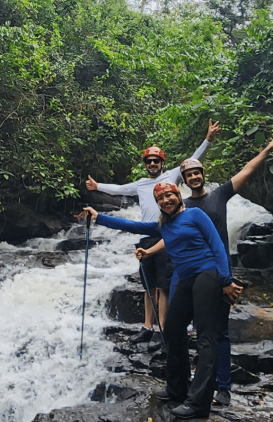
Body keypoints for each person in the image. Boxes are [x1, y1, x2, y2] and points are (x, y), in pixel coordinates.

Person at [80, 181, 236, 419]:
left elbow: (217, 245)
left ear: (178, 197)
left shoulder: (195, 214)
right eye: (160, 198)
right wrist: (99, 217)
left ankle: (199, 402)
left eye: (169, 195)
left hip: (208, 274)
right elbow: (133, 226)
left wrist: (226, 280)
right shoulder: (164, 226)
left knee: (206, 336)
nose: (165, 200)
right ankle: (177, 388)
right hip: (184, 277)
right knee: (172, 330)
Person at [84, 121, 220, 351]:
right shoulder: (140, 184)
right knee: (148, 285)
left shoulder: (172, 176)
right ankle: (147, 326)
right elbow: (119, 189)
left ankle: (162, 328)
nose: (153, 164)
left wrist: (208, 139)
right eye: (149, 161)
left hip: (167, 233)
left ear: (162, 163)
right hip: (146, 234)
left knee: (164, 285)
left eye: (156, 160)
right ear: (145, 164)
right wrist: (97, 187)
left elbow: (192, 160)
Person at [179, 129, 273, 406]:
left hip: (221, 272)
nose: (194, 177)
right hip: (195, 275)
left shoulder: (219, 196)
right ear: (185, 180)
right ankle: (202, 383)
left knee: (221, 331)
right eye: (189, 175)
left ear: (202, 174)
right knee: (201, 331)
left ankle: (223, 388)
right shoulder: (182, 207)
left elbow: (247, 170)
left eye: (197, 173)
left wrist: (268, 149)